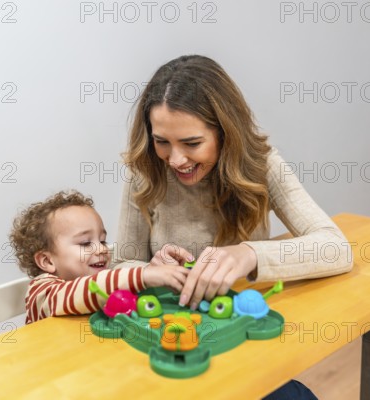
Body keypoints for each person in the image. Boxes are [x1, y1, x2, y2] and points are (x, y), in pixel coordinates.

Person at [116, 55, 352, 312]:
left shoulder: (264, 166)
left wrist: (249, 255)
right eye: (162, 141)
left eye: (192, 143)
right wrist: (148, 272)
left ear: (226, 132)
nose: (175, 160)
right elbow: (121, 265)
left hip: (243, 320)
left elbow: (335, 247)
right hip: (171, 325)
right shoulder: (146, 171)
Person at [9, 190, 188, 324]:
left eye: (102, 241)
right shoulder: (42, 292)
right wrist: (142, 277)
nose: (101, 249)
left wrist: (156, 270)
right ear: (47, 261)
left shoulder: (104, 278)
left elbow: (119, 275)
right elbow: (82, 292)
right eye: (86, 243)